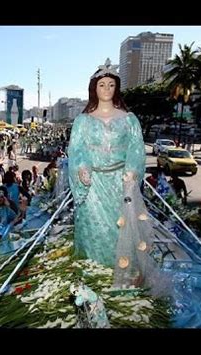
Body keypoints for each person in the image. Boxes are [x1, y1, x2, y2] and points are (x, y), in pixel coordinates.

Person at [68, 58, 155, 289]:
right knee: (93, 227)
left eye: (111, 84)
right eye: (101, 84)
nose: (106, 89)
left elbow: (136, 149)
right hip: (93, 185)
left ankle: (122, 272)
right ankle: (93, 270)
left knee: (121, 228)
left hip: (120, 184)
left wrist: (132, 172)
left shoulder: (129, 119)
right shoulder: (82, 120)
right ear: (93, 88)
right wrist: (82, 168)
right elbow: (76, 149)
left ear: (116, 88)